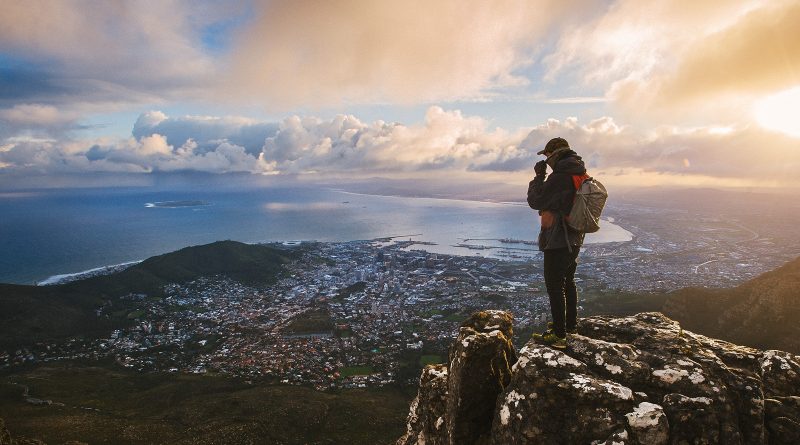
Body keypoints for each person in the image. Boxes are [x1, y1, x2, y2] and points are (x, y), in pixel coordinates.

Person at [526, 137, 588, 350]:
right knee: (567, 280)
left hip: (558, 238)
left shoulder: (560, 177)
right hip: (575, 236)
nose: (546, 160)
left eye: (546, 156)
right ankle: (569, 326)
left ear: (553, 154)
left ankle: (560, 336)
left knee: (554, 284)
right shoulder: (579, 172)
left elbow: (536, 201)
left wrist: (538, 177)